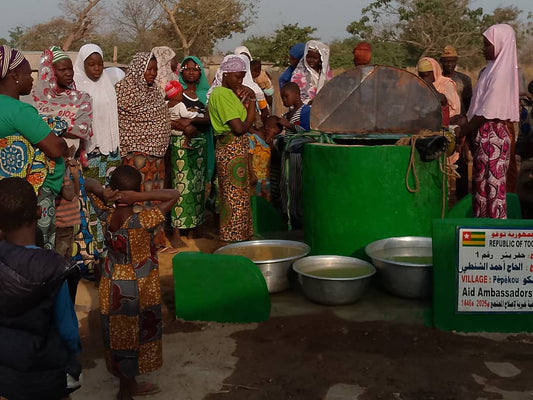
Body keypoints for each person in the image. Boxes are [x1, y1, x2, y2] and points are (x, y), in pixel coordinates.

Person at [85, 165, 180, 400]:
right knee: (134, 336)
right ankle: (125, 391)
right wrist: (140, 196)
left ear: (114, 190)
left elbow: (86, 182)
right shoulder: (143, 220)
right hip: (138, 287)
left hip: (112, 283)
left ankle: (128, 383)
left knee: (120, 337)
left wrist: (104, 191)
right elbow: (174, 194)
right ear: (136, 191)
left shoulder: (106, 213)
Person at [0, 177, 81, 400]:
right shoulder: (53, 267)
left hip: (6, 376)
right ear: (39, 213)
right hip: (48, 373)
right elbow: (68, 331)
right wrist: (72, 358)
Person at [455, 24, 519, 219]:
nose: (483, 49)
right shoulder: (490, 70)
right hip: (484, 134)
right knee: (481, 186)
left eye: (486, 45)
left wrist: (463, 130)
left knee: (493, 188)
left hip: (495, 134)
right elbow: (479, 105)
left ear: (500, 44)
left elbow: (488, 111)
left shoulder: (502, 73)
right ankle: (481, 231)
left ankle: (495, 234)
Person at [74, 44, 122, 271]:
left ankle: (112, 253)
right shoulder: (76, 87)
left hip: (111, 153)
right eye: (90, 65)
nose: (96, 69)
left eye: (99, 64)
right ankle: (95, 259)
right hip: (89, 155)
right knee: (92, 204)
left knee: (111, 200)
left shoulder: (108, 84)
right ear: (82, 65)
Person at [0, 45, 67, 194]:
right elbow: (55, 148)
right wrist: (63, 144)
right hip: (31, 194)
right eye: (28, 73)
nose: (31, 79)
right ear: (15, 76)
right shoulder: (18, 110)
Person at [208, 55, 256, 242]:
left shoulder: (230, 95)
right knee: (233, 196)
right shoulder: (221, 94)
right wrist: (251, 101)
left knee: (239, 194)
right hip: (230, 147)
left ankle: (240, 235)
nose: (240, 81)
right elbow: (239, 127)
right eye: (237, 76)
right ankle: (232, 237)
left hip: (237, 148)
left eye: (242, 77)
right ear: (225, 74)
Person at [169, 56, 212, 246]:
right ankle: (176, 231)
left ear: (200, 72)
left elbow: (211, 119)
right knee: (180, 186)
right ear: (181, 71)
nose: (192, 72)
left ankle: (195, 227)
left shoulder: (206, 95)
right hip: (180, 144)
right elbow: (166, 115)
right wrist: (183, 125)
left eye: (196, 69)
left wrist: (192, 123)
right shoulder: (176, 93)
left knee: (197, 186)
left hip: (200, 144)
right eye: (188, 69)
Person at [440, 45, 473, 202]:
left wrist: (467, 130)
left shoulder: (464, 80)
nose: (449, 64)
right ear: (441, 62)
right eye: (446, 61)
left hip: (461, 125)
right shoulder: (437, 78)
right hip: (443, 124)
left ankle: (462, 198)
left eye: (452, 61)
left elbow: (468, 104)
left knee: (462, 160)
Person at [278, 82, 312, 228]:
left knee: (296, 186)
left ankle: (298, 217)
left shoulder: (306, 111)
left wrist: (289, 125)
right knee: (286, 185)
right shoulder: (289, 113)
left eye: (286, 97)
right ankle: (288, 215)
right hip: (287, 155)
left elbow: (309, 133)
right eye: (282, 98)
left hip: (298, 155)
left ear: (296, 94)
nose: (284, 101)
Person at [248, 116, 284, 201]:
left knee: (264, 202)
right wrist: (252, 174)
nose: (274, 136)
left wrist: (271, 145)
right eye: (274, 133)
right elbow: (248, 156)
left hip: (265, 180)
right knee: (254, 201)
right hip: (254, 178)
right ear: (267, 127)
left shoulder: (268, 143)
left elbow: (276, 156)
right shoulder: (254, 138)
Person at [290, 40, 332, 104]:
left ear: (321, 59)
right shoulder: (298, 76)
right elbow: (295, 99)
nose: (311, 60)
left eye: (315, 58)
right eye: (308, 57)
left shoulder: (325, 75)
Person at [165, 80, 200, 150]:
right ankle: (186, 142)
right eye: (181, 94)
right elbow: (185, 114)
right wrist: (196, 114)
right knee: (192, 129)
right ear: (175, 95)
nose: (182, 96)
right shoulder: (180, 105)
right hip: (180, 130)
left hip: (170, 129)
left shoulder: (166, 103)